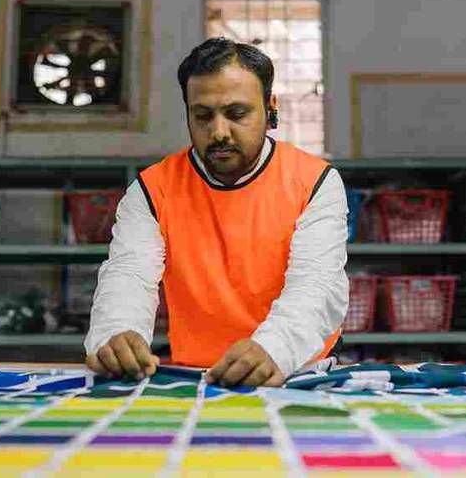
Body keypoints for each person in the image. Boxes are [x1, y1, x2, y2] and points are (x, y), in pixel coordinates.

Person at [85, 37, 349, 387]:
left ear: (271, 108)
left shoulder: (315, 181)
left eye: (237, 114)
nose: (219, 132)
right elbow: (128, 276)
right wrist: (116, 335)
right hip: (194, 379)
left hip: (295, 374)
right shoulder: (152, 189)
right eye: (203, 116)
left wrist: (274, 347)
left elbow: (317, 284)